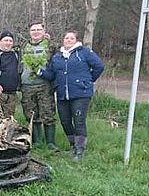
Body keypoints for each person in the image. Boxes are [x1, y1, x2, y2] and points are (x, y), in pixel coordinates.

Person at [38, 30, 105, 160]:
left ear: (76, 40)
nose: (68, 40)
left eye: (71, 38)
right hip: (63, 94)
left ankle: (80, 150)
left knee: (79, 121)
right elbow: (52, 75)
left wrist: (88, 80)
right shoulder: (57, 56)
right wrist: (40, 72)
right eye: (66, 38)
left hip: (80, 93)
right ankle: (73, 145)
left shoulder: (84, 52)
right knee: (65, 121)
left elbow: (99, 66)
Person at [19, 21, 59, 151]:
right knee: (31, 115)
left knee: (47, 113)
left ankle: (50, 143)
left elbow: (57, 64)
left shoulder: (51, 46)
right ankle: (36, 141)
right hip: (27, 86)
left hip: (44, 85)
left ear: (43, 32)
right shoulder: (23, 46)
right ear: (29, 32)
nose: (35, 32)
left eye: (38, 30)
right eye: (33, 30)